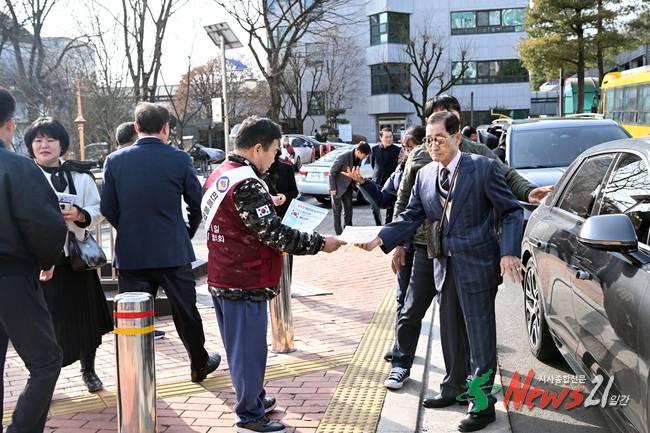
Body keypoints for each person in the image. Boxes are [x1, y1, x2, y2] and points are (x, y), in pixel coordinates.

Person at [358, 111, 524, 432]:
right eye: (428, 140)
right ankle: (453, 387)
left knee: (480, 337)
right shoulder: (424, 175)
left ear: (457, 137)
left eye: (440, 139)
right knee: (449, 331)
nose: (433, 145)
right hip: (442, 264)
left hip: (477, 264)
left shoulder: (483, 168)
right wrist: (382, 237)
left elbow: (511, 211)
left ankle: (482, 404)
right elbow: (411, 215)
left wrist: (508, 252)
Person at [382, 95, 552, 391]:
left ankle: (469, 382)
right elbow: (404, 200)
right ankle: (401, 363)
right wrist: (396, 243)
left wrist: (528, 192)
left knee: (463, 319)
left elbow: (507, 176)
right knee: (410, 309)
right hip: (424, 246)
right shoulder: (420, 156)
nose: (436, 142)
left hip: (464, 252)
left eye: (451, 111)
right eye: (438, 113)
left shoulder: (476, 154)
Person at [203, 116, 345, 433]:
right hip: (244, 279)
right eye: (274, 150)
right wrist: (320, 243)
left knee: (242, 349)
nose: (275, 158)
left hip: (224, 273)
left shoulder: (220, 173)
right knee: (248, 352)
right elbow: (274, 234)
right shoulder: (246, 183)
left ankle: (254, 397)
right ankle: (249, 415)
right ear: (257, 149)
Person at [101, 102, 220, 383]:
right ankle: (199, 363)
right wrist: (184, 232)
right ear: (166, 128)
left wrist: (128, 229)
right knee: (185, 311)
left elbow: (108, 207)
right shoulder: (179, 159)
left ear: (136, 127)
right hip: (172, 250)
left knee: (132, 318)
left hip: (132, 253)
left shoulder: (114, 161)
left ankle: (133, 378)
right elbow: (197, 203)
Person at [25, 117, 113, 393]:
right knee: (45, 323)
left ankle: (89, 370)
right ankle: (44, 378)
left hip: (76, 258)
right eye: (38, 140)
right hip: (40, 260)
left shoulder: (80, 176)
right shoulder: (24, 176)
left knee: (85, 317)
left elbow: (98, 210)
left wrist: (79, 214)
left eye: (50, 139)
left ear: (61, 144)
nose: (44, 145)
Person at [0, 87, 68, 433]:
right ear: (10, 124)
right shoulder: (17, 167)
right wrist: (47, 259)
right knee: (46, 361)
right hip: (12, 278)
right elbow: (42, 224)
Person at [329, 141, 371, 235]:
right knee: (337, 212)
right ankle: (339, 235)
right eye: (365, 155)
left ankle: (348, 232)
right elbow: (332, 172)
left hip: (348, 188)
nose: (365, 157)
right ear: (359, 152)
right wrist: (332, 188)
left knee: (348, 211)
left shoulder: (359, 159)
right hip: (337, 188)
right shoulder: (344, 156)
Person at [370, 128, 401, 224]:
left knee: (391, 206)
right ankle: (378, 225)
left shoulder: (398, 150)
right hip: (377, 181)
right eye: (386, 137)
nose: (389, 139)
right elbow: (373, 164)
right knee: (374, 205)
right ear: (381, 138)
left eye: (391, 137)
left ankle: (388, 224)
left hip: (391, 183)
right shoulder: (374, 149)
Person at [266, 150, 299, 218]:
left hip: (284, 214)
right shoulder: (258, 171)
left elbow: (295, 192)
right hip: (266, 215)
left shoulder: (287, 168)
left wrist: (285, 197)